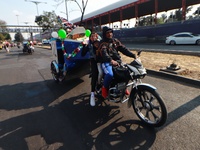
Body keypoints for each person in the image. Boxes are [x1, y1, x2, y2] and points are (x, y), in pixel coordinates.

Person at [97, 26, 136, 99]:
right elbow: (104, 53)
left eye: (110, 32)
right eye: (107, 33)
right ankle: (104, 89)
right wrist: (111, 60)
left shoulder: (115, 41)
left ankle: (123, 88)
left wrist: (133, 55)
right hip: (106, 62)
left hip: (117, 61)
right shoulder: (102, 43)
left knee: (127, 72)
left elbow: (123, 49)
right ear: (104, 34)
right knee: (110, 74)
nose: (110, 34)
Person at [81, 32, 102, 106]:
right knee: (95, 74)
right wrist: (84, 46)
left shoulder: (100, 43)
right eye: (92, 36)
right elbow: (83, 54)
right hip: (93, 61)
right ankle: (92, 94)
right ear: (90, 38)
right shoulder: (88, 45)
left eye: (95, 36)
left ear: (97, 37)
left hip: (101, 60)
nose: (93, 38)